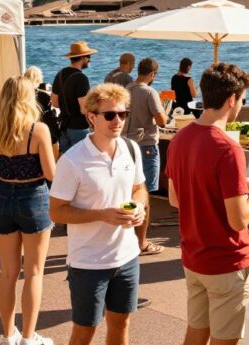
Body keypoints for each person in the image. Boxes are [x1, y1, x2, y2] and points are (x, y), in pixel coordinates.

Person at [166, 63, 249, 345]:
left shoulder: (180, 138)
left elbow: (174, 199)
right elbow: (238, 221)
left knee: (195, 333)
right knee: (226, 339)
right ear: (231, 99)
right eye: (242, 100)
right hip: (226, 260)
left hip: (194, 256)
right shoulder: (227, 148)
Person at [50, 84, 147, 345]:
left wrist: (139, 207)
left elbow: (140, 189)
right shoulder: (73, 160)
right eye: (109, 115)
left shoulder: (130, 148)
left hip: (126, 257)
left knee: (121, 323)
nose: (118, 121)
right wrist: (102, 215)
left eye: (123, 114)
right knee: (85, 331)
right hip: (88, 262)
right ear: (91, 117)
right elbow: (56, 212)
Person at [0, 76, 57, 345]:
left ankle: (7, 336)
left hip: (3, 198)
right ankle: (28, 337)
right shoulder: (38, 130)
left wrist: (8, 168)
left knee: (7, 273)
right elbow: (50, 173)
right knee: (34, 272)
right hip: (33, 197)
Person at [125, 57, 168, 256]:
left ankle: (127, 237)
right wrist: (165, 112)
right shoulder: (150, 92)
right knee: (145, 194)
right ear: (152, 74)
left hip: (126, 144)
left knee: (126, 191)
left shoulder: (126, 88)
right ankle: (141, 242)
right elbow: (161, 121)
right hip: (146, 146)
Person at [52, 41, 96, 154]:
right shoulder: (81, 78)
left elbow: (55, 103)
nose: (90, 59)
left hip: (64, 127)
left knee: (68, 163)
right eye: (89, 56)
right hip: (79, 128)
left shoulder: (60, 74)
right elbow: (84, 109)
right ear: (82, 58)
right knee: (82, 163)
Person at [25, 66, 60, 161]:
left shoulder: (24, 94)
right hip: (46, 124)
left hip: (30, 125)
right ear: (38, 78)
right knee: (53, 143)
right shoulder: (43, 94)